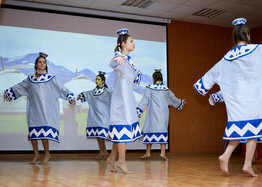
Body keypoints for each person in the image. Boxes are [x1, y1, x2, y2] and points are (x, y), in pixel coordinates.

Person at [193, 18, 262, 177]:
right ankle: (245, 165)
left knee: (244, 131)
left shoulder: (226, 58)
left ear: (234, 38)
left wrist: (206, 89)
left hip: (237, 103)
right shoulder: (260, 50)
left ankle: (228, 157)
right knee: (253, 132)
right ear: (248, 36)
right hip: (255, 100)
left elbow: (208, 79)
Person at [4, 52, 75, 164]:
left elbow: (62, 88)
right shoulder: (30, 79)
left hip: (46, 110)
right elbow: (20, 86)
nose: (42, 64)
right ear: (36, 65)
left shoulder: (51, 78)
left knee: (44, 133)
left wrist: (70, 96)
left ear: (46, 65)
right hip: (34, 110)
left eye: (44, 62)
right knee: (33, 134)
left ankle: (47, 153)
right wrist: (8, 92)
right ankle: (36, 154)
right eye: (40, 62)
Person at [106, 28, 142, 174]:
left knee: (119, 133)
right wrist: (116, 56)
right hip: (121, 101)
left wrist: (137, 75)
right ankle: (121, 161)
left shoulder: (129, 60)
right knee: (123, 130)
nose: (133, 43)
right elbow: (113, 64)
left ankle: (111, 158)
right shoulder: (119, 58)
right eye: (131, 41)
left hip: (127, 99)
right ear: (123, 44)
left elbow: (130, 76)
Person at [137, 68, 185, 160]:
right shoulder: (166, 89)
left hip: (152, 113)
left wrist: (138, 110)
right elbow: (173, 99)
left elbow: (145, 100)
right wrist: (180, 102)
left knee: (149, 129)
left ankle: (148, 152)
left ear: (154, 79)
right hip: (163, 114)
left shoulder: (149, 88)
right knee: (162, 130)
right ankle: (162, 153)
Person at [77, 71, 111, 160]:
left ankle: (103, 151)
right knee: (98, 135)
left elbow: (116, 97)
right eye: (96, 79)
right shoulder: (92, 92)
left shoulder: (107, 91)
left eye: (98, 79)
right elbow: (85, 94)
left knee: (101, 134)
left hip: (104, 117)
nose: (96, 81)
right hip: (95, 117)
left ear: (103, 81)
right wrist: (79, 96)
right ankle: (103, 151)